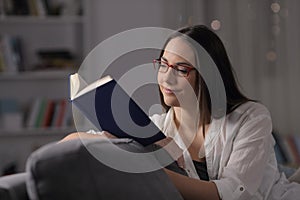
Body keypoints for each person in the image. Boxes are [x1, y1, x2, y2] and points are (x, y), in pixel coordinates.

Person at [62, 25, 300, 200]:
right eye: (163, 64)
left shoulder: (251, 117)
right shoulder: (156, 128)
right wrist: (111, 140)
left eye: (181, 69)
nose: (166, 77)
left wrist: (147, 170)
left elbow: (232, 193)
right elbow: (67, 145)